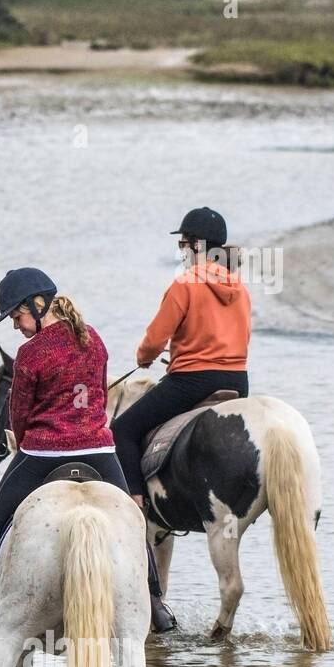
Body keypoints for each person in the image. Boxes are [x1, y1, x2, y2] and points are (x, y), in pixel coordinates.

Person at [0, 268, 174, 632]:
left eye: (16, 317)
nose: (16, 326)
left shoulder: (30, 353)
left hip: (44, 455)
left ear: (37, 305)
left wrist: (24, 439)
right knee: (131, 519)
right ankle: (157, 602)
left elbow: (19, 414)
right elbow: (99, 394)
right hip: (99, 449)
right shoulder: (94, 339)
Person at [112, 206, 250, 506]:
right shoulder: (240, 287)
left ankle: (135, 502)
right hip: (239, 381)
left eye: (183, 244)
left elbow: (155, 338)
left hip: (194, 381)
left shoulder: (184, 284)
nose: (181, 252)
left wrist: (144, 357)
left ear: (197, 246)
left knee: (122, 430)